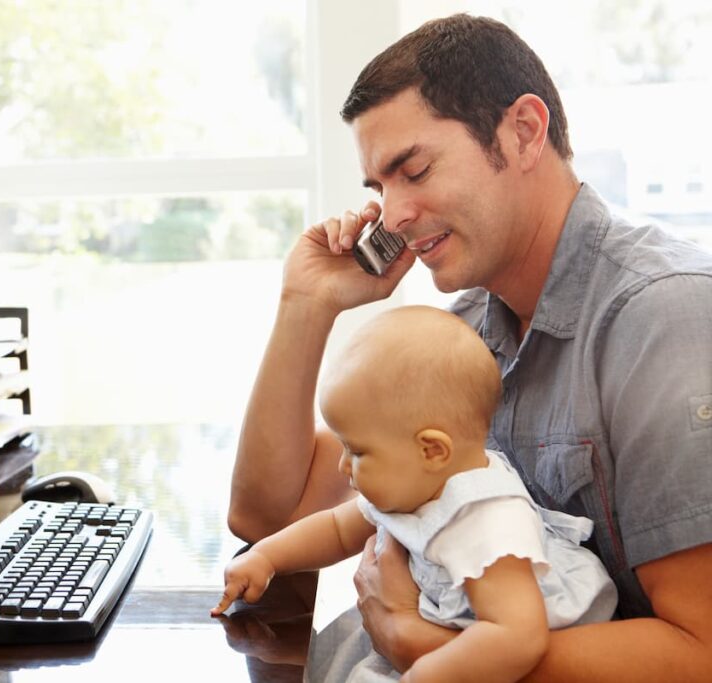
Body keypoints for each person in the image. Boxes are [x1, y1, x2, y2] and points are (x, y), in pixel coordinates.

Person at [227, 13, 712, 681]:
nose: (392, 215)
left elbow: (701, 651)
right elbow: (269, 512)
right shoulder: (472, 325)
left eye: (414, 169)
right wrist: (305, 307)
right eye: (379, 188)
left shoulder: (666, 321)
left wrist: (414, 640)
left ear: (523, 132)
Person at [213, 306, 616, 682]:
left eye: (357, 451)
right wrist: (266, 557)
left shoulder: (488, 525)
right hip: (432, 633)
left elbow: (517, 639)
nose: (343, 466)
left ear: (432, 450)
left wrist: (423, 674)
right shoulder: (419, 483)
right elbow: (337, 529)